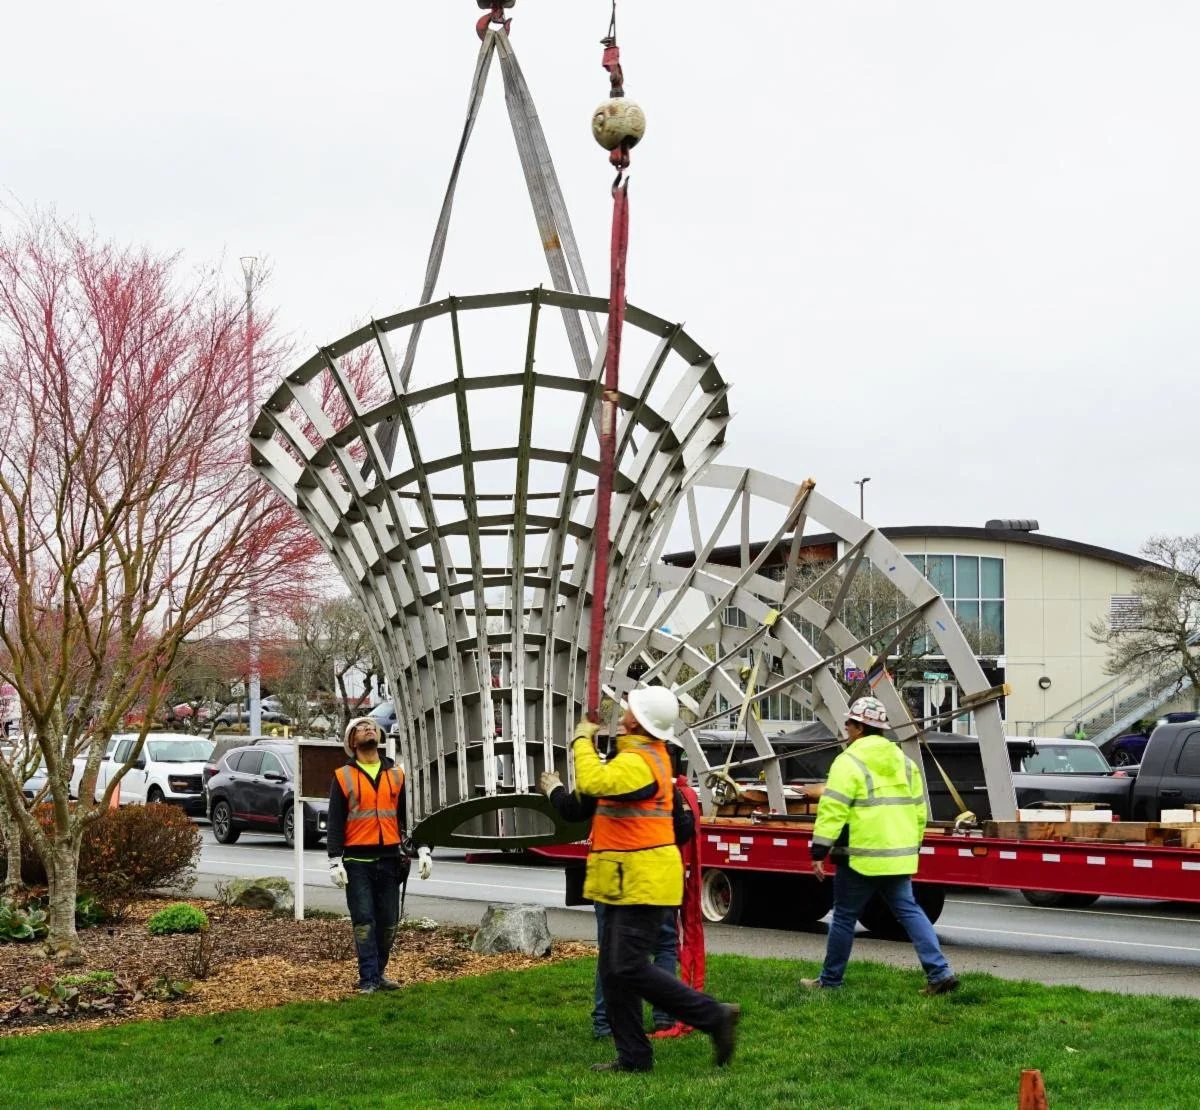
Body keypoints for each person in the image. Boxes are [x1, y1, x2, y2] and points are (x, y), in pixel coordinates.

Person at [570, 686, 740, 1073]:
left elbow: (595, 782)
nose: (625, 708)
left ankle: (714, 1016)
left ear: (639, 719)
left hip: (641, 880)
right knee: (615, 972)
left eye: (630, 706)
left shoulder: (639, 762)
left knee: (627, 966)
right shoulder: (641, 755)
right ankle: (633, 1057)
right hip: (627, 877)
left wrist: (582, 740)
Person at [801, 696, 959, 994]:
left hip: (860, 855)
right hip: (897, 854)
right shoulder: (904, 762)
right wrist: (913, 844)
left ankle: (830, 981)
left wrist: (819, 850)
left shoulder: (848, 761)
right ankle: (939, 972)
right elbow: (919, 809)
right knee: (910, 910)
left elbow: (833, 809)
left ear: (859, 728)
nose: (845, 728)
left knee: (845, 916)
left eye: (848, 723)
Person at [539, 751, 681, 1039]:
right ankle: (665, 1018)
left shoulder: (605, 779)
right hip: (653, 875)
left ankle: (606, 1024)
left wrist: (553, 787)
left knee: (612, 951)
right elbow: (685, 828)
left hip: (611, 877)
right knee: (663, 944)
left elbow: (571, 809)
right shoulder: (661, 778)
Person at [327, 716, 433, 994]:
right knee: (364, 922)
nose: (369, 728)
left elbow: (409, 817)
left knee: (388, 924)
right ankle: (368, 979)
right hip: (356, 863)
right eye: (361, 728)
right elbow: (336, 822)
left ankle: (379, 972)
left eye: (372, 726)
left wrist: (422, 848)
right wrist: (334, 860)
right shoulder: (343, 776)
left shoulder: (396, 775)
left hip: (389, 861)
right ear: (352, 741)